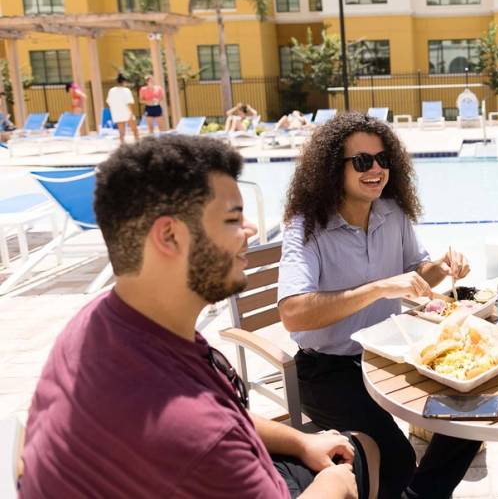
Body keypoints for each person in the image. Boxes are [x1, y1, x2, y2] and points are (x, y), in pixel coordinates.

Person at [18, 135, 379, 499]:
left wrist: (301, 440)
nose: (250, 230)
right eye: (233, 218)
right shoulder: (197, 432)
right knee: (361, 455)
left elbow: (223, 412)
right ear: (170, 236)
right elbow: (207, 432)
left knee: (350, 447)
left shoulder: (103, 322)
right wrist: (334, 488)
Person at [277, 111, 480, 499]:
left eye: (383, 159)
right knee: (396, 459)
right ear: (331, 168)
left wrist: (440, 266)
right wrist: (379, 287)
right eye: (362, 161)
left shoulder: (393, 212)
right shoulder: (306, 227)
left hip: (389, 356)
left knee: (470, 417)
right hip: (328, 371)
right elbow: (292, 312)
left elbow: (416, 274)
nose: (376, 169)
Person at [106, 73, 140, 142]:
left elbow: (109, 102)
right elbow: (129, 103)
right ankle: (138, 145)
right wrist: (131, 113)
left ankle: (122, 147)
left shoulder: (111, 90)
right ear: (124, 82)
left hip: (117, 113)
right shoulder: (126, 90)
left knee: (121, 133)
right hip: (127, 112)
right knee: (135, 131)